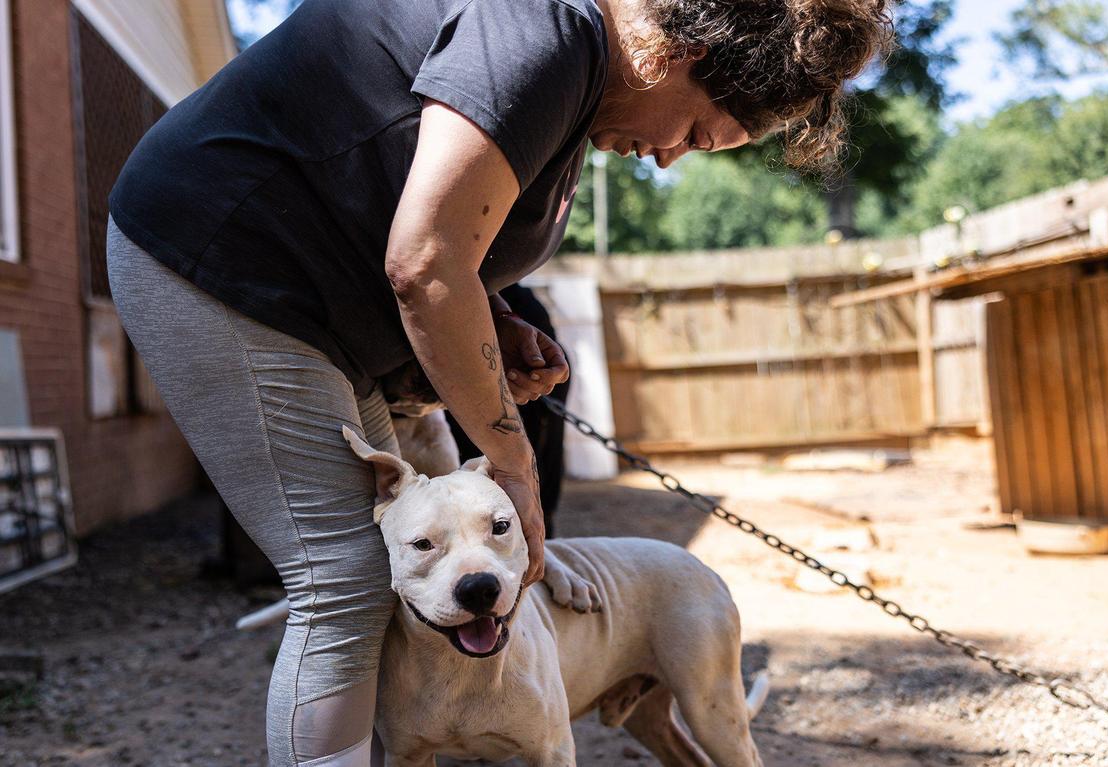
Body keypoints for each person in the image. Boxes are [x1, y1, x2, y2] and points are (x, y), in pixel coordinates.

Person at [105, 0, 893, 764]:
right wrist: (510, 460)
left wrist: (495, 322)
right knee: (345, 576)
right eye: (693, 131)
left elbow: (432, 228)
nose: (669, 156)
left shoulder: (576, 83)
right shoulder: (543, 30)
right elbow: (424, 263)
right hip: (219, 257)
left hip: (316, 308)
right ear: (681, 55)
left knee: (393, 558)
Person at [446, 284, 570, 536]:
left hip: (515, 338)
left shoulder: (518, 304)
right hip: (471, 345)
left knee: (533, 469)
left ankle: (538, 534)